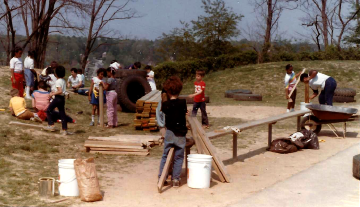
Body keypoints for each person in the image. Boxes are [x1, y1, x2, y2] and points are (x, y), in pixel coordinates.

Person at [158, 76, 188, 188]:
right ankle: (176, 179)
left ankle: (162, 177)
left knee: (165, 156)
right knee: (179, 157)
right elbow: (184, 112)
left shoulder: (165, 105)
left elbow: (164, 111)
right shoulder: (183, 103)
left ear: (168, 91)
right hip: (181, 133)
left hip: (170, 132)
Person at [44, 65, 71, 135]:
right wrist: (54, 92)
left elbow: (60, 91)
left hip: (58, 98)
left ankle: (51, 125)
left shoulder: (58, 81)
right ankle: (64, 129)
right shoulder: (63, 81)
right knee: (62, 114)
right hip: (62, 99)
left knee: (49, 110)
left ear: (56, 74)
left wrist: (52, 94)